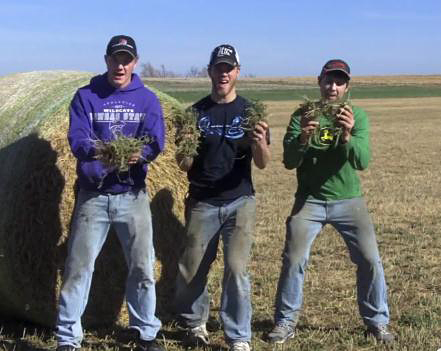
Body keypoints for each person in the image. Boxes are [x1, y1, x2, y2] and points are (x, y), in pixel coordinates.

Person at [267, 59, 394, 344]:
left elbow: (362, 161)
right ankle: (285, 322)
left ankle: (378, 322)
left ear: (347, 87)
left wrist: (347, 135)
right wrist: (301, 139)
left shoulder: (355, 115)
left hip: (348, 200)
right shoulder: (303, 114)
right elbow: (289, 162)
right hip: (309, 201)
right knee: (294, 260)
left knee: (370, 260)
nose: (332, 87)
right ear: (319, 82)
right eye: (328, 80)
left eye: (339, 82)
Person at [55, 35, 165, 351]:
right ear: (106, 60)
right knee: (78, 267)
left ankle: (145, 333)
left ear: (135, 62)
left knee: (143, 266)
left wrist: (140, 153)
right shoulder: (86, 96)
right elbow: (77, 139)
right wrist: (104, 151)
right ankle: (68, 338)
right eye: (115, 59)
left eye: (126, 59)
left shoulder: (147, 99)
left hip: (133, 196)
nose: (120, 65)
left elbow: (156, 141)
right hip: (93, 196)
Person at [173, 44, 270, 351]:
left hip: (239, 200)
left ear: (237, 72)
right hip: (202, 201)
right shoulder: (194, 113)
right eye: (218, 68)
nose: (223, 73)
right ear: (210, 72)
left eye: (229, 68)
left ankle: (239, 336)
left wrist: (258, 142)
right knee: (193, 267)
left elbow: (264, 162)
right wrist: (186, 147)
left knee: (236, 268)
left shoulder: (251, 112)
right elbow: (184, 164)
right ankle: (194, 324)